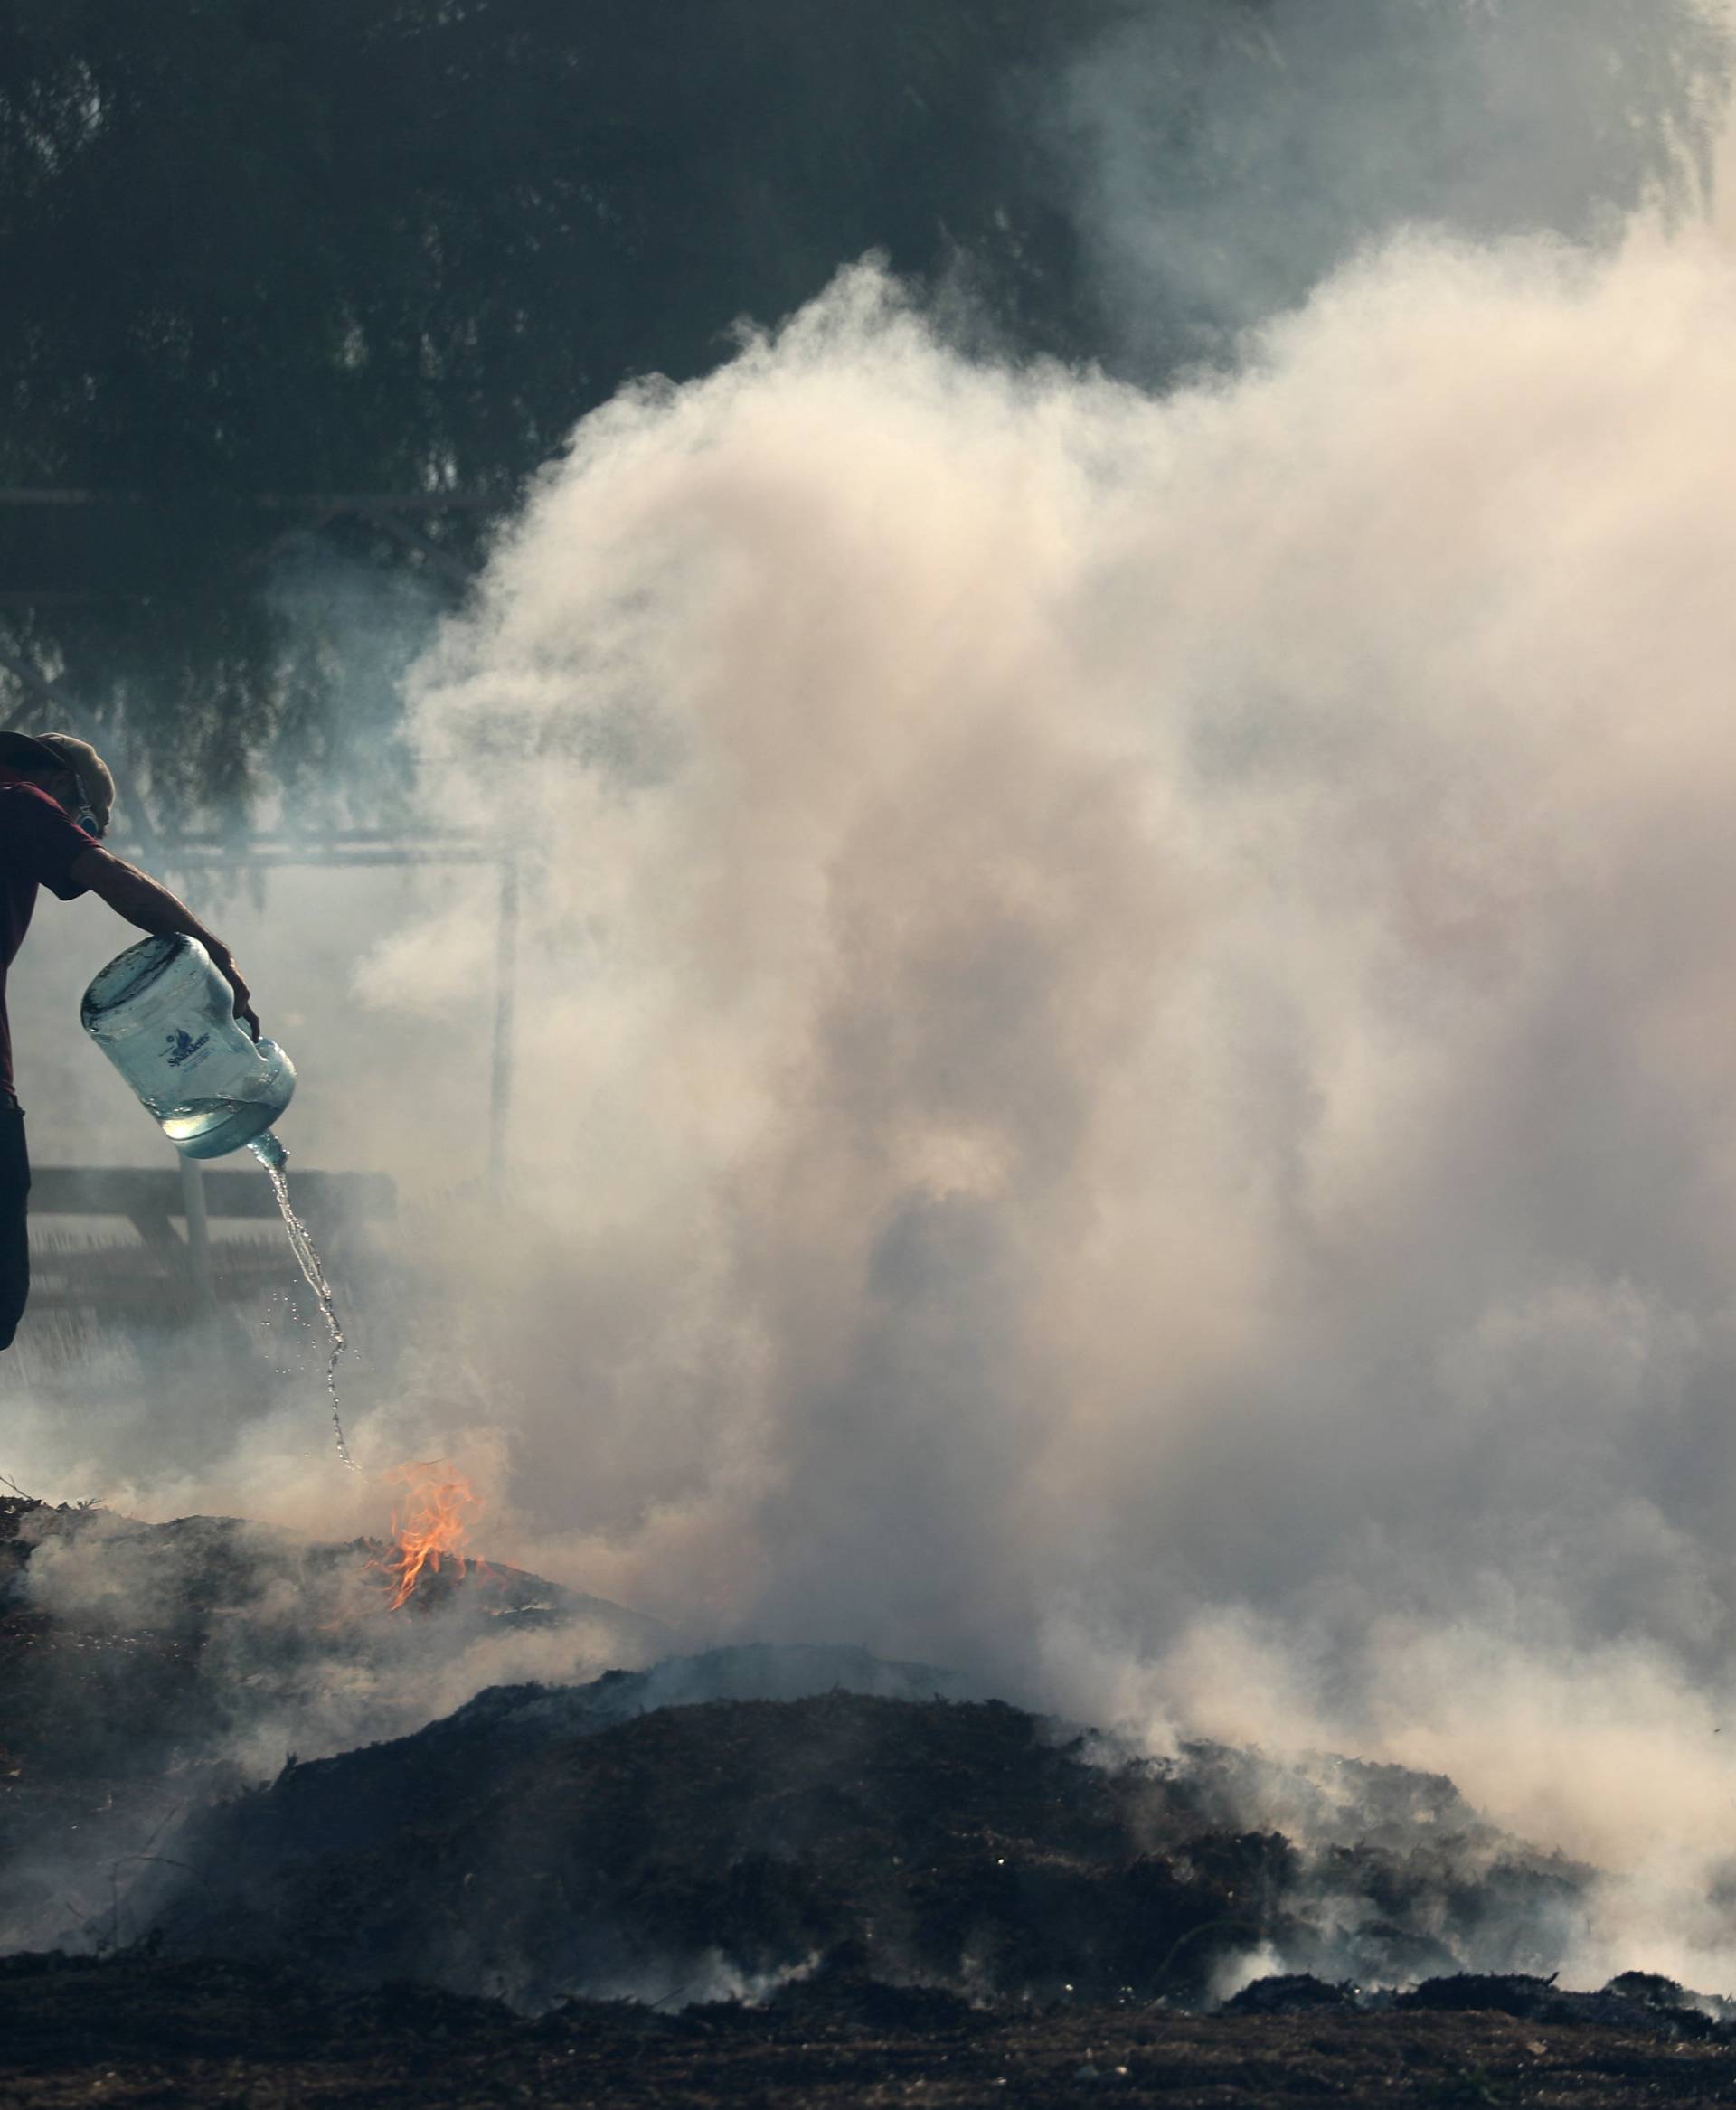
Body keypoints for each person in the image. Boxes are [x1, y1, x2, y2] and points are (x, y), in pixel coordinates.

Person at [0, 730, 259, 1351]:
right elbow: (110, 876)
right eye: (84, 820)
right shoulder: (19, 802)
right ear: (62, 783)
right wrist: (215, 954)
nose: (80, 831)